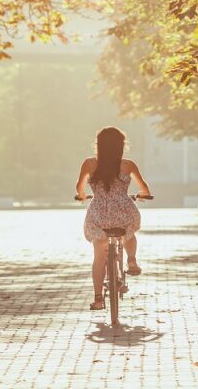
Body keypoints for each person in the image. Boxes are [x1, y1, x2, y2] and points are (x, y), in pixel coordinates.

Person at [75, 127, 151, 310]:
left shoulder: (89, 164)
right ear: (121, 145)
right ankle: (131, 259)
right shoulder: (128, 165)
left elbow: (80, 188)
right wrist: (142, 195)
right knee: (129, 233)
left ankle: (98, 298)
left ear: (98, 144)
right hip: (123, 212)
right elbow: (144, 189)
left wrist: (82, 196)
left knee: (98, 255)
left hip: (99, 216)